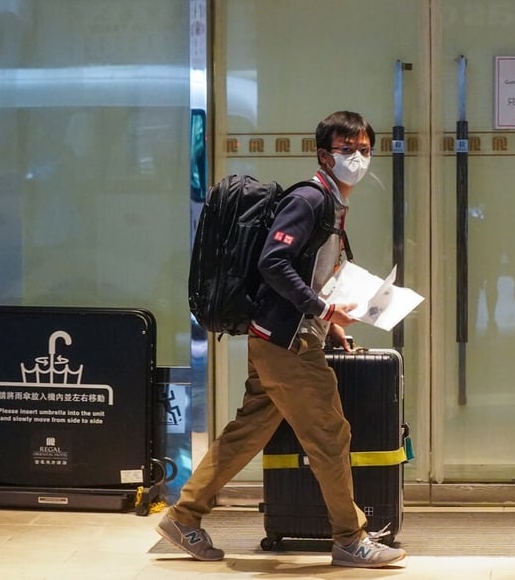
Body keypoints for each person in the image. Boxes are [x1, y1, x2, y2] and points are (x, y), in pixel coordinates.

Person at [156, 110, 407, 569]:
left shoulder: (331, 202)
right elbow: (274, 261)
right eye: (346, 149)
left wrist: (327, 321)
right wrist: (321, 311)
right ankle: (350, 538)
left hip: (279, 338)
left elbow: (308, 270)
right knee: (330, 435)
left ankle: (183, 516)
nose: (357, 158)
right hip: (288, 345)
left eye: (365, 149)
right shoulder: (311, 199)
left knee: (249, 430)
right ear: (324, 155)